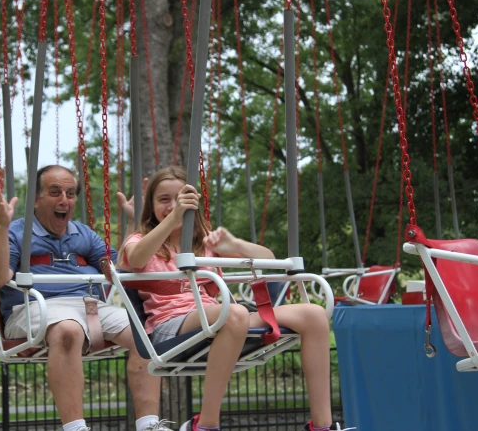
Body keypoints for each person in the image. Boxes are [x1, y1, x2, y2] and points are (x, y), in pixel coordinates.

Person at [118, 166, 353, 431]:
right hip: (170, 326)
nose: (173, 205)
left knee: (314, 315)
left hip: (219, 317)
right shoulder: (140, 240)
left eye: (181, 199)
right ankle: (205, 424)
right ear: (151, 206)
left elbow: (270, 261)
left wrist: (235, 245)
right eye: (164, 200)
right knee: (234, 312)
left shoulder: (204, 243)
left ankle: (322, 425)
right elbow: (136, 258)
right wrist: (173, 218)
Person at [0, 165, 172, 431]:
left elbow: (119, 268)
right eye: (55, 192)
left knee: (145, 331)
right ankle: (75, 427)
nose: (64, 200)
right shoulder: (17, 233)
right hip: (33, 307)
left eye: (70, 193)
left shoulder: (83, 234)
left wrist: (132, 224)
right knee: (68, 329)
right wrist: (1, 229)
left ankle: (149, 424)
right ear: (36, 199)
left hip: (89, 307)